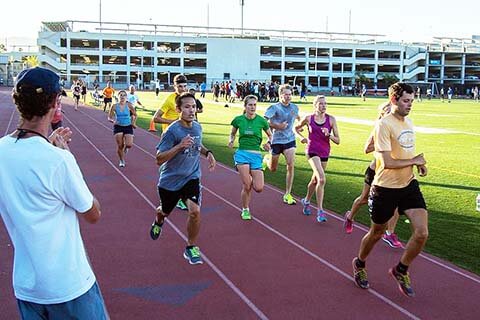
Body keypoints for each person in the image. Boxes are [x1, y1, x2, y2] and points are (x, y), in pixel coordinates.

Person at [0, 67, 107, 319]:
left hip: (27, 287)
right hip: (69, 285)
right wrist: (65, 157)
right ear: (56, 103)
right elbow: (93, 213)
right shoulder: (58, 160)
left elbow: (26, 166)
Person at [352, 82, 428, 298]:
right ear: (394, 100)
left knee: (422, 233)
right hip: (384, 188)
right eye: (406, 101)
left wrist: (419, 164)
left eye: (412, 101)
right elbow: (385, 162)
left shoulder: (409, 122)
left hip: (408, 185)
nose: (410, 105)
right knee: (376, 233)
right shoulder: (383, 125)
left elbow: (405, 153)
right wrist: (415, 159)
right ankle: (359, 264)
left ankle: (401, 270)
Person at [149, 92, 216, 265]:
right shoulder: (172, 131)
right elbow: (158, 159)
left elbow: (197, 143)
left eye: (193, 107)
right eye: (187, 107)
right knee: (164, 211)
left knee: (195, 211)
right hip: (170, 181)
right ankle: (158, 220)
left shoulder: (197, 127)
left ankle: (190, 247)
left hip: (192, 177)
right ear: (178, 109)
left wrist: (208, 153)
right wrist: (179, 146)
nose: (191, 110)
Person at [343, 102, 402, 249]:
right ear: (382, 114)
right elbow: (366, 149)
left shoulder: (399, 127)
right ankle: (350, 217)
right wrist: (382, 145)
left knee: (396, 203)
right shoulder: (378, 128)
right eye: (387, 111)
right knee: (364, 199)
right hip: (376, 171)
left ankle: (389, 233)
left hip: (392, 172)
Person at [295, 95, 340, 222]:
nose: (323, 106)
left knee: (315, 180)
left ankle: (307, 201)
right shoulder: (308, 118)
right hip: (312, 151)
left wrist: (329, 134)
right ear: (315, 105)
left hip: (325, 152)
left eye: (325, 103)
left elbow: (338, 140)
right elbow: (296, 128)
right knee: (321, 179)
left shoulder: (331, 119)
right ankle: (320, 211)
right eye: (320, 103)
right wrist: (301, 137)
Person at [228, 95, 273, 220]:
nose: (253, 107)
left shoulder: (262, 121)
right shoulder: (238, 120)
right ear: (245, 106)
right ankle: (245, 209)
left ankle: (263, 162)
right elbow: (232, 133)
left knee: (258, 188)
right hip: (242, 154)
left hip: (256, 155)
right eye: (250, 105)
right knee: (247, 185)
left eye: (254, 105)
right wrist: (231, 140)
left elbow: (271, 136)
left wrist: (268, 144)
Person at [153, 74, 190, 209]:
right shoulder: (169, 100)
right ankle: (168, 192)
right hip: (170, 139)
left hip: (184, 138)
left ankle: (180, 197)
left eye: (185, 86)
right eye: (180, 86)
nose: (182, 88)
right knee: (169, 168)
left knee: (184, 168)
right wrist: (173, 122)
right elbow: (155, 118)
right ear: (175, 86)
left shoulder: (187, 99)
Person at [263, 84, 300, 205]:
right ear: (280, 95)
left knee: (290, 164)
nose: (288, 97)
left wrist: (301, 125)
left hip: (290, 140)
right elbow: (264, 121)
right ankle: (266, 160)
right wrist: (277, 126)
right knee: (273, 169)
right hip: (276, 141)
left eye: (290, 94)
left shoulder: (295, 107)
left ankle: (288, 194)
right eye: (286, 94)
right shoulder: (274, 108)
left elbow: (297, 117)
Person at [108, 90, 137, 167]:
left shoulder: (129, 105)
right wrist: (113, 121)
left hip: (128, 126)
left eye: (124, 95)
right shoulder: (114, 106)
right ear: (118, 97)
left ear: (126, 97)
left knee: (129, 144)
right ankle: (121, 160)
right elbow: (109, 117)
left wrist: (133, 123)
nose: (122, 97)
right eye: (121, 95)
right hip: (118, 126)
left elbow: (135, 115)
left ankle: (126, 148)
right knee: (120, 145)